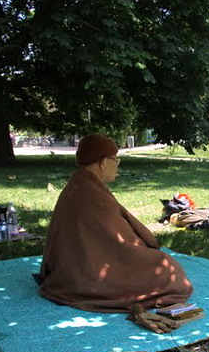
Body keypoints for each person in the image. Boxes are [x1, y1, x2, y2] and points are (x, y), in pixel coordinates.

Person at [39, 134, 193, 313]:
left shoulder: (79, 183)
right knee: (169, 269)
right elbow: (120, 243)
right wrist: (146, 250)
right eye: (115, 159)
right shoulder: (90, 192)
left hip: (66, 269)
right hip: (84, 275)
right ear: (103, 162)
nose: (117, 164)